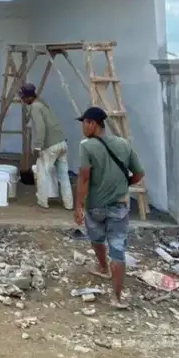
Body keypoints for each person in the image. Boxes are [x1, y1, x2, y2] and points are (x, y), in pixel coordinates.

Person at [74, 106, 145, 309]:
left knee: (96, 238)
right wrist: (123, 185)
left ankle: (103, 267)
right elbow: (139, 174)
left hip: (95, 206)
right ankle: (117, 297)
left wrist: (78, 206)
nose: (83, 128)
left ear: (93, 124)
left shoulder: (86, 146)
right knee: (118, 249)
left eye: (84, 123)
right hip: (120, 206)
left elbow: (84, 177)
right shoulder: (124, 144)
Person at [20, 83, 72, 209]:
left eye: (23, 98)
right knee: (64, 176)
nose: (22, 100)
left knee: (42, 172)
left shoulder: (35, 107)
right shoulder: (43, 104)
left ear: (27, 98)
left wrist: (38, 146)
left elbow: (40, 127)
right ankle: (69, 204)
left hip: (50, 146)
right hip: (62, 143)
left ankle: (42, 202)